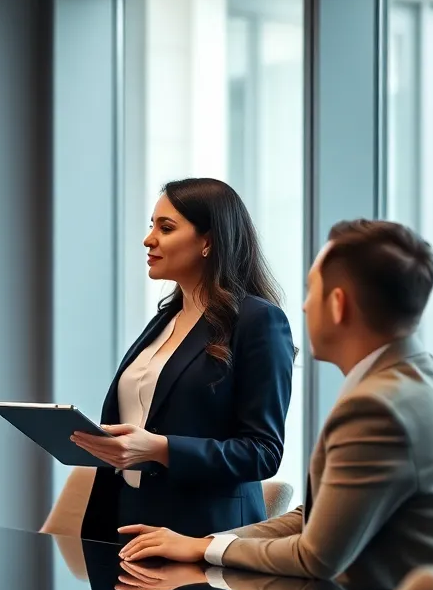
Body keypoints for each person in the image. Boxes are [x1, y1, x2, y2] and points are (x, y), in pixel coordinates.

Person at [116, 219, 433, 590]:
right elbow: (314, 520)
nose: (302, 308)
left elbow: (315, 559)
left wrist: (204, 546)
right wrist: (206, 543)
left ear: (337, 305)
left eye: (310, 291)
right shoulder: (427, 378)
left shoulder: (378, 407)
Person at [72, 178, 295, 542]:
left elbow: (263, 452)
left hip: (206, 540)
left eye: (166, 227)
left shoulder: (259, 321)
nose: (149, 239)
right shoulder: (165, 319)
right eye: (151, 225)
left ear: (208, 240)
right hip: (125, 526)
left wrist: (160, 449)